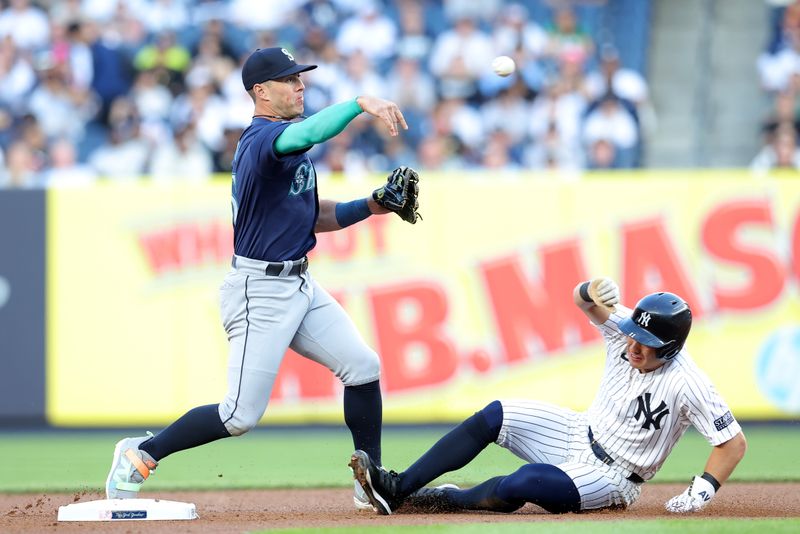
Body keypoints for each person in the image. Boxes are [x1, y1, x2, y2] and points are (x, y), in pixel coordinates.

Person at [105, 46, 412, 511]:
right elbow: (309, 132)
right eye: (290, 80)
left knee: (363, 368)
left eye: (301, 78)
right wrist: (357, 104)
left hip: (299, 283)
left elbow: (313, 216)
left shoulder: (285, 146)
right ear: (261, 92)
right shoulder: (262, 142)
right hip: (260, 291)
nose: (300, 85)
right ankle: (141, 452)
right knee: (238, 415)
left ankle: (369, 483)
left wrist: (372, 204)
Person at [350, 278, 747, 515]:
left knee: (524, 482)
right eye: (633, 333)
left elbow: (732, 443)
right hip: (578, 430)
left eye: (646, 343)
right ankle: (397, 488)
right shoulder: (628, 330)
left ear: (671, 349)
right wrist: (588, 289)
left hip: (612, 476)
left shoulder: (687, 382)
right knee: (495, 414)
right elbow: (583, 301)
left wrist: (703, 489)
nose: (634, 345)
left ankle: (444, 500)